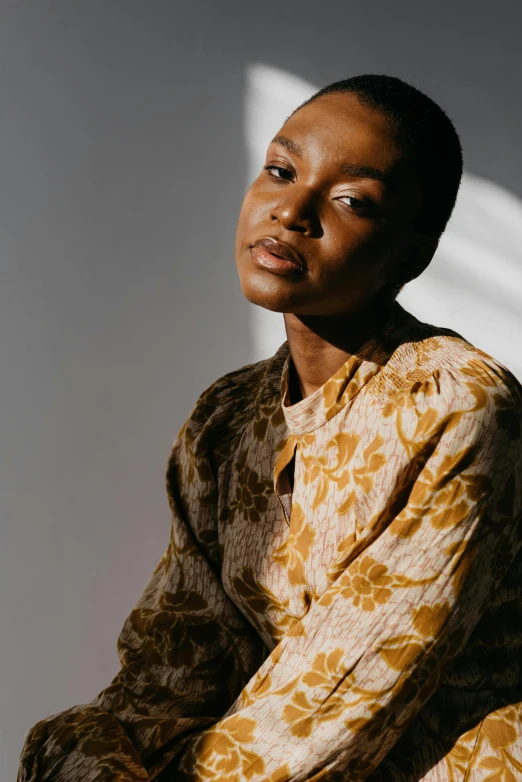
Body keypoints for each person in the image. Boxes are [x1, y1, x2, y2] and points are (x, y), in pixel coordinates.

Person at [18, 75, 522, 782]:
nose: (292, 211)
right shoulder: (225, 420)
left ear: (410, 256)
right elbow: (170, 672)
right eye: (281, 171)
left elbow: (340, 701)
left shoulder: (461, 405)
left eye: (351, 201)